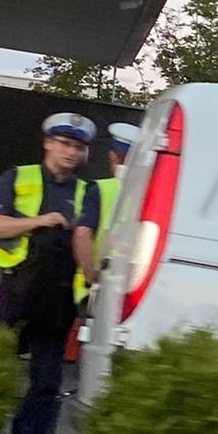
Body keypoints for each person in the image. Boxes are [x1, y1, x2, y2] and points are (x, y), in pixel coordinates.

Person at [0, 112, 100, 434]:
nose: (69, 152)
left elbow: (84, 237)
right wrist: (40, 221)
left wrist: (92, 284)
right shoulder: (18, 177)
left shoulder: (86, 191)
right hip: (15, 289)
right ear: (48, 143)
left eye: (77, 147)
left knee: (46, 380)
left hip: (58, 297)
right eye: (63, 143)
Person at [73, 121, 138, 308]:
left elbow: (82, 234)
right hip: (133, 292)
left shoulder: (100, 189)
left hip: (98, 289)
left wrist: (90, 277)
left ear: (112, 156)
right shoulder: (156, 192)